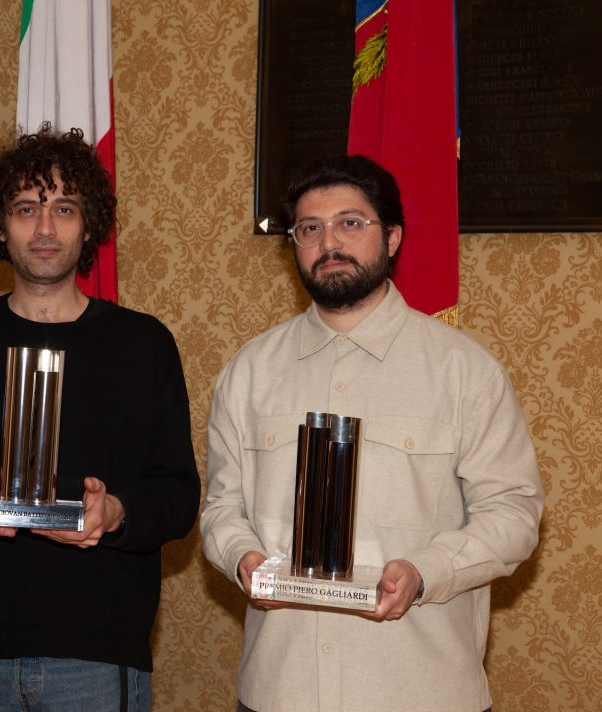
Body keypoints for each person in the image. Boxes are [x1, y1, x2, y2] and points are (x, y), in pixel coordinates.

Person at [200, 155, 544, 712]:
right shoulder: (249, 371)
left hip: (420, 692)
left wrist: (425, 573)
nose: (329, 243)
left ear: (393, 237)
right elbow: (221, 507)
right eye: (310, 228)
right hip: (281, 689)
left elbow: (514, 514)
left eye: (350, 223)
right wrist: (241, 557)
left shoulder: (464, 371)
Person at [0, 126, 199, 712]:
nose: (46, 228)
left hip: (98, 651)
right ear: (0, 226)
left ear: (89, 225)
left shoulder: (144, 344)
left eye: (65, 208)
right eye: (27, 208)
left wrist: (116, 513)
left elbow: (178, 495)